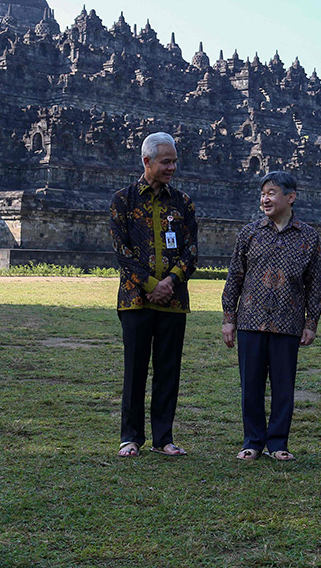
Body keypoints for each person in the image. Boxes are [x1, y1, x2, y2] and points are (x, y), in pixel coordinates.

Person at [222, 171, 321, 462]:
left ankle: (278, 442)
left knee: (283, 387)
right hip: (250, 320)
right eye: (263, 193)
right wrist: (229, 317)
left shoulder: (308, 237)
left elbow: (314, 284)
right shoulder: (250, 233)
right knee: (250, 385)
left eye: (272, 192)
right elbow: (234, 278)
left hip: (288, 322)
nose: (265, 198)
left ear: (290, 197)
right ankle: (252, 440)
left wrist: (311, 322)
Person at [109, 132, 198, 458]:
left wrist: (170, 282)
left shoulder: (183, 202)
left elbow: (191, 251)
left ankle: (164, 437)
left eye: (174, 161)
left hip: (173, 301)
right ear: (147, 161)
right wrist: (150, 285)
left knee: (167, 371)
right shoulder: (124, 200)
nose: (172, 167)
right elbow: (122, 251)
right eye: (166, 162)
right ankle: (130, 437)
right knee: (134, 370)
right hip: (135, 300)